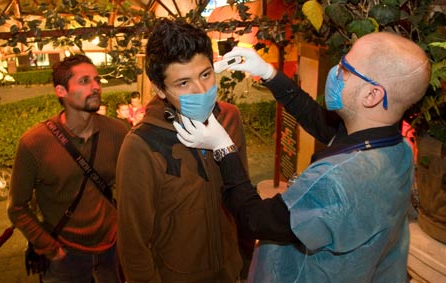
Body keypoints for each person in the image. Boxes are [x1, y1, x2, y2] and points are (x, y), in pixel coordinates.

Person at [174, 32, 431, 282]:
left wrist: (223, 147)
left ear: (372, 95)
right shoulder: (396, 149)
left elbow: (255, 219)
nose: (335, 72)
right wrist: (268, 74)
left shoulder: (339, 183)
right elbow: (320, 122)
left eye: (344, 68)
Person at [116, 18, 252, 283]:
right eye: (183, 83)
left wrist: (245, 264)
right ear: (160, 89)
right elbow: (134, 245)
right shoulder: (141, 145)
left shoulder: (230, 118)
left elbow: (242, 196)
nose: (202, 91)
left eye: (205, 74)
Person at [7, 54, 128, 283]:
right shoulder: (34, 143)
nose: (95, 87)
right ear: (61, 91)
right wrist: (49, 247)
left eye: (97, 80)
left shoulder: (118, 131)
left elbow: (132, 188)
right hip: (64, 254)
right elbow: (17, 207)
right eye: (84, 81)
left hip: (112, 249)